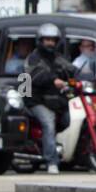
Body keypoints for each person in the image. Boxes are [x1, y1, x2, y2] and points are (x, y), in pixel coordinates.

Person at [25, 22, 74, 176]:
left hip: (53, 99)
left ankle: (47, 143)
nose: (50, 43)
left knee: (66, 119)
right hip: (35, 100)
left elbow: (70, 68)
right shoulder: (33, 58)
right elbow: (34, 74)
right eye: (47, 40)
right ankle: (52, 161)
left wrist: (79, 74)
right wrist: (53, 80)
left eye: (53, 40)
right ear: (40, 40)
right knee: (49, 123)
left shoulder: (57, 57)